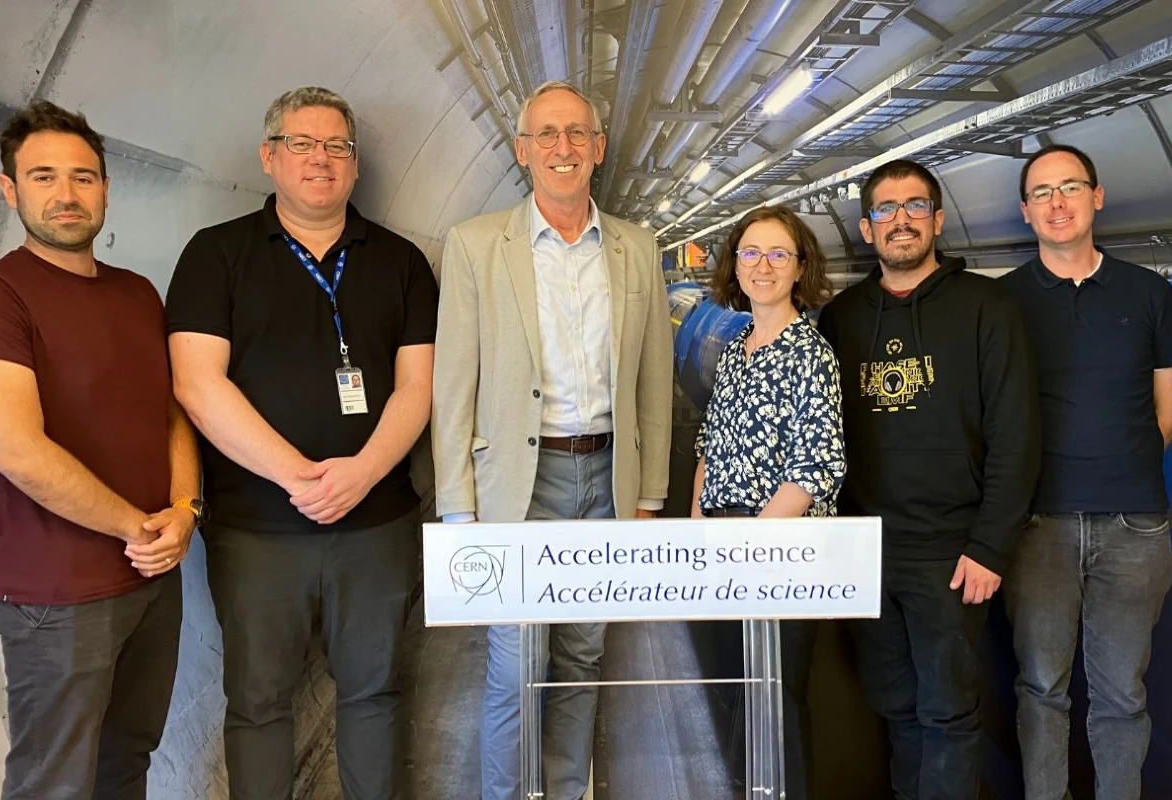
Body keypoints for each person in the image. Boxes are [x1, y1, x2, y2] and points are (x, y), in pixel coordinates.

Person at [164, 87, 437, 799]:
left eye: (338, 147)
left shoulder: (401, 262)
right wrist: (301, 477)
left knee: (374, 691)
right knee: (258, 701)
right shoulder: (215, 254)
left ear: (354, 165)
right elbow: (197, 383)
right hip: (256, 528)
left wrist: (364, 474)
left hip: (376, 523)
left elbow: (419, 387)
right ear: (270, 157)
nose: (322, 159)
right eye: (303, 144)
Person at [431, 79, 673, 800]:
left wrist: (650, 494)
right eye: (547, 135)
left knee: (583, 657)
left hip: (605, 476)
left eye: (577, 134)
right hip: (517, 482)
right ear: (522, 150)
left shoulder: (635, 246)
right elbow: (454, 381)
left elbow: (653, 381)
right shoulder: (477, 245)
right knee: (515, 664)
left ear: (597, 150)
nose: (562, 148)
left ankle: (569, 792)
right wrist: (456, 506)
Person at [0, 101, 200, 800]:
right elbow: (18, 451)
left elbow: (170, 418)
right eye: (44, 177)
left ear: (104, 188)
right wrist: (140, 527)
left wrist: (185, 511)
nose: (66, 195)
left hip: (151, 581)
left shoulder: (136, 295)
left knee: (125, 763)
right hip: (58, 597)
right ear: (10, 190)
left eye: (84, 177)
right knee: (54, 783)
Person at [816, 158, 1039, 800]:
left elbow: (1016, 434)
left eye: (916, 207)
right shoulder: (844, 318)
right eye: (886, 210)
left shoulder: (986, 308)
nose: (901, 220)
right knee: (894, 705)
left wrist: (990, 544)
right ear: (866, 229)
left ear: (938, 219)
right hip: (868, 549)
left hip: (952, 550)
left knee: (948, 710)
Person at [999, 144, 1172, 800]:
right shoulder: (1003, 302)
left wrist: (1118, 470)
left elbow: (1165, 410)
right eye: (1042, 192)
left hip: (1134, 525)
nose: (1057, 202)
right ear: (1024, 211)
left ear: (1096, 197)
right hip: (1038, 522)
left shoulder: (1149, 292)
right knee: (1042, 687)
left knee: (1122, 693)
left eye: (1070, 187)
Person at [690, 205, 845, 798]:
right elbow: (710, 441)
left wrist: (748, 546)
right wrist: (700, 522)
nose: (762, 265)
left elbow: (815, 468)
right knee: (737, 689)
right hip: (727, 545)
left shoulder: (811, 354)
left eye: (778, 253)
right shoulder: (736, 347)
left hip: (782, 549)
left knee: (775, 697)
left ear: (800, 267)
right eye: (751, 253)